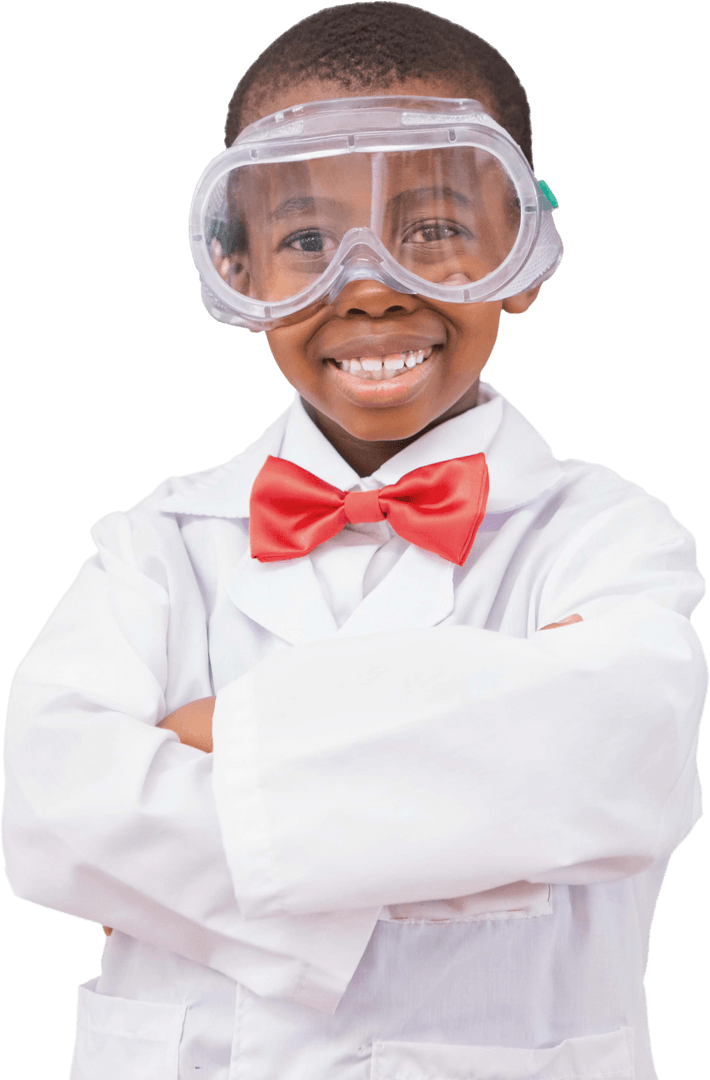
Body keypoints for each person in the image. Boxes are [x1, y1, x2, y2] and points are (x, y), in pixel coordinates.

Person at [2, 3, 706, 1079]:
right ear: (240, 273)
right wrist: (453, 819)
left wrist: (214, 736)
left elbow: (616, 759)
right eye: (305, 241)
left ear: (518, 256)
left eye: (431, 229)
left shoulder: (608, 535)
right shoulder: (155, 543)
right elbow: (53, 817)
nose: (370, 283)